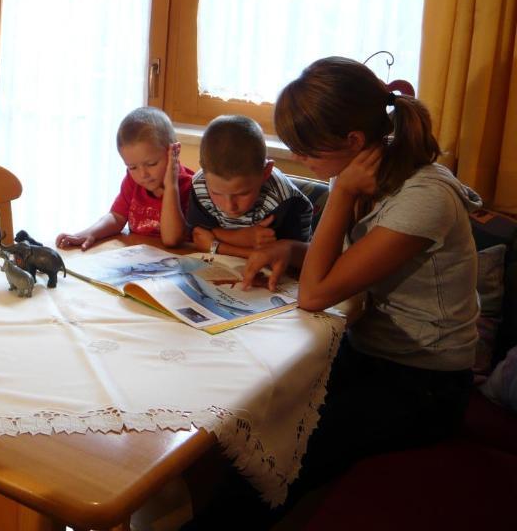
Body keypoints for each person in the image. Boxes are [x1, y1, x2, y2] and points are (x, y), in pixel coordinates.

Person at [194, 57, 480, 527]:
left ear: (352, 142)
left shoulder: (422, 198)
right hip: (367, 352)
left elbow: (315, 295)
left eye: (307, 152)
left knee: (283, 448)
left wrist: (342, 194)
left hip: (424, 383)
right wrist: (290, 247)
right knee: (252, 401)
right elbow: (349, 261)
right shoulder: (367, 173)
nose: (301, 162)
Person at [56, 106, 193, 250]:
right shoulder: (133, 181)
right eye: (132, 167)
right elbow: (116, 217)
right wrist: (89, 233)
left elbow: (172, 240)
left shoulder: (190, 187)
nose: (142, 175)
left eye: (151, 164)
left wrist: (171, 185)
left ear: (174, 153)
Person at [188, 115, 313, 258]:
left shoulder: (285, 200)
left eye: (242, 194)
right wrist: (241, 237)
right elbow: (197, 234)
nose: (230, 206)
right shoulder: (200, 184)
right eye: (216, 193)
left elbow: (281, 258)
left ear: (266, 172)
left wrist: (215, 242)